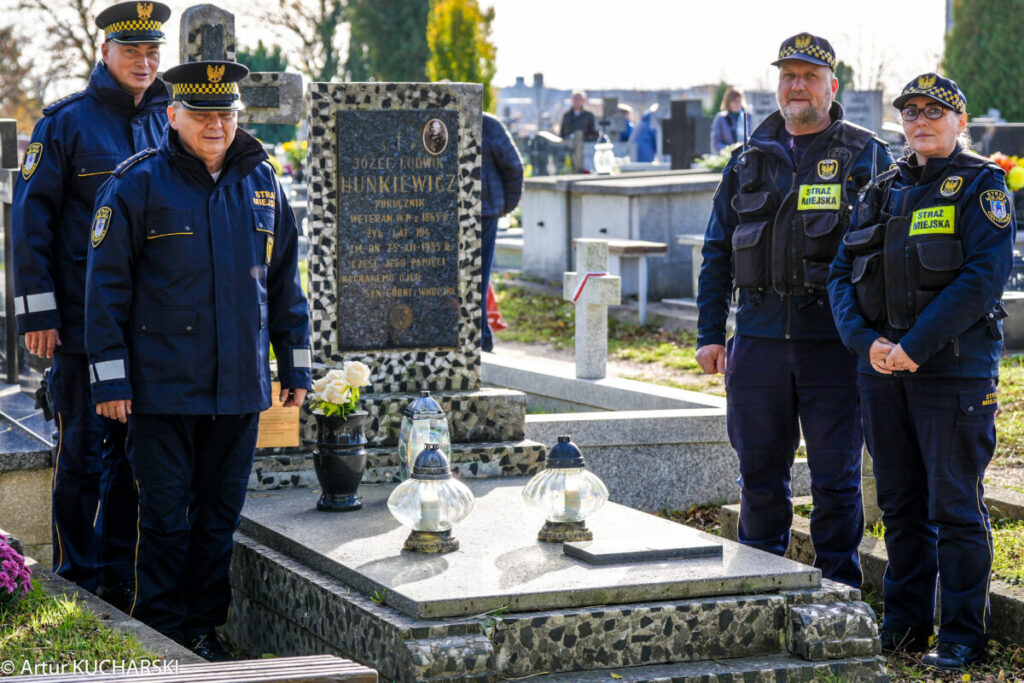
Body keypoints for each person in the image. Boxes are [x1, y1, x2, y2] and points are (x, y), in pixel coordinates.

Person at [84, 60, 312, 660]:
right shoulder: (137, 184)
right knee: (162, 519)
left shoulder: (263, 182)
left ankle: (203, 629)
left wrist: (296, 368)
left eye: (227, 113)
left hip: (237, 389)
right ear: (173, 115)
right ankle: (158, 631)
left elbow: (286, 285)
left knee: (218, 520)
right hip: (160, 392)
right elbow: (105, 289)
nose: (217, 124)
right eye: (204, 113)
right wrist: (110, 379)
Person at [828, 74, 1014, 670]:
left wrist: (914, 345)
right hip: (882, 372)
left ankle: (962, 632)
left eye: (934, 111)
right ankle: (905, 624)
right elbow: (839, 275)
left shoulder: (982, 186)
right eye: (909, 113)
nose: (919, 121)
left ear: (958, 122)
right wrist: (868, 343)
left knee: (955, 507)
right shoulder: (880, 190)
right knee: (902, 505)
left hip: (953, 375)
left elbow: (982, 277)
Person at [695, 33, 893, 589]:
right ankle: (762, 588)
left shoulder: (864, 155)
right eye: (788, 75)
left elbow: (884, 255)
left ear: (832, 86)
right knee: (759, 475)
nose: (797, 85)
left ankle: (837, 592)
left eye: (809, 76)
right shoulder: (748, 160)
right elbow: (717, 250)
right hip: (756, 342)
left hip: (832, 344)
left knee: (835, 479)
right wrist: (712, 333)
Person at [11, 1, 172, 606]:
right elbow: (31, 223)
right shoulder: (66, 123)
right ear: (105, 52)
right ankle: (76, 580)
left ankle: (119, 577)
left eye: (153, 51)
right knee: (80, 453)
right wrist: (40, 314)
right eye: (132, 50)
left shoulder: (172, 121)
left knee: (135, 459)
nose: (144, 61)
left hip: (151, 327)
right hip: (79, 324)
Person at [480, 112, 524, 352]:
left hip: (484, 211)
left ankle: (481, 339)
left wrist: (506, 206)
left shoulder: (488, 124)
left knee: (479, 278)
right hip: (444, 215)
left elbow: (513, 167)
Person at [711, 87, 746, 153]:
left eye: (739, 101)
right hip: (728, 157)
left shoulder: (747, 117)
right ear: (728, 102)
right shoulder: (720, 118)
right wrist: (732, 148)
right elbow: (716, 144)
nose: (737, 104)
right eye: (734, 101)